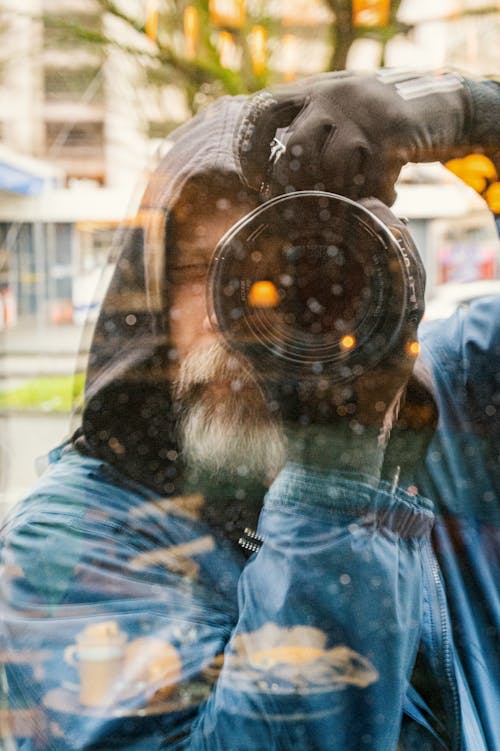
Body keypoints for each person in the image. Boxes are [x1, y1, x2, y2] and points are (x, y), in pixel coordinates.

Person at [0, 70, 498, 750]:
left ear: (382, 275)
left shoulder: (449, 401)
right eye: (210, 271)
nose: (243, 321)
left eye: (305, 273)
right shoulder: (73, 539)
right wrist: (335, 475)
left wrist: (472, 117)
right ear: (148, 303)